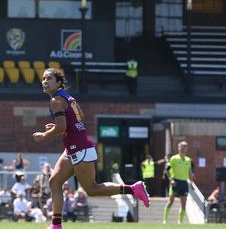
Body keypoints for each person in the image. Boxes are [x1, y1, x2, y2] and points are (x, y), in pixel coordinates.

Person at [32, 68, 149, 229]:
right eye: (43, 78)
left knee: (92, 189)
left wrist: (44, 135)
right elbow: (73, 123)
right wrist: (61, 127)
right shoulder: (67, 98)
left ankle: (133, 189)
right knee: (54, 182)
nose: (45, 81)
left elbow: (61, 127)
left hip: (79, 149)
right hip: (75, 148)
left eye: (49, 78)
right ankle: (56, 225)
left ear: (59, 83)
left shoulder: (55, 101)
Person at [163, 141, 194, 224]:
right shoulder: (174, 158)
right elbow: (166, 170)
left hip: (184, 183)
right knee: (171, 201)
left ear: (186, 149)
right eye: (181, 148)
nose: (182, 150)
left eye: (184, 148)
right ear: (178, 148)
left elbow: (190, 172)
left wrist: (191, 182)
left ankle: (180, 222)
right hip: (175, 182)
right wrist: (171, 180)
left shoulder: (188, 160)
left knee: (183, 203)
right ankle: (165, 220)